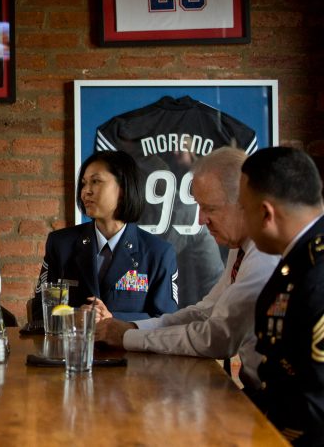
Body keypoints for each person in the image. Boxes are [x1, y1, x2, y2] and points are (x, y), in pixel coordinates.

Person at [93, 147, 279, 390]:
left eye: (210, 208)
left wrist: (128, 337)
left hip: (275, 403)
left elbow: (217, 338)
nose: (200, 220)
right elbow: (205, 311)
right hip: (254, 391)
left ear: (244, 202)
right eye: (199, 207)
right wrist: (133, 327)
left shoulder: (264, 254)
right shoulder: (240, 246)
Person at [29, 150, 178, 325]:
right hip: (71, 350)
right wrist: (73, 317)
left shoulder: (158, 253)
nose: (86, 192)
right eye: (84, 184)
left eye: (96, 182)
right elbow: (39, 311)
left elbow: (166, 321)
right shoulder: (60, 244)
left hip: (128, 350)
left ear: (123, 189)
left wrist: (114, 320)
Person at [239, 146, 324, 445]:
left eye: (242, 208)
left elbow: (316, 407)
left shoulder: (315, 278)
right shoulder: (297, 260)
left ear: (265, 213)